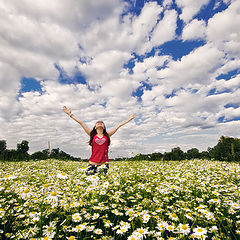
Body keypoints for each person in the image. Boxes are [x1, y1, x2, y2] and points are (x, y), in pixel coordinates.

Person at [63, 106, 136, 175]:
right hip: (92, 164)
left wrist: (129, 119)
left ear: (104, 127)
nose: (100, 123)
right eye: (97, 122)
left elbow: (118, 125)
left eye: (102, 123)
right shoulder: (92, 134)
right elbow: (81, 122)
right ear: (95, 127)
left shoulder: (107, 135)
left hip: (104, 165)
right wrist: (70, 114)